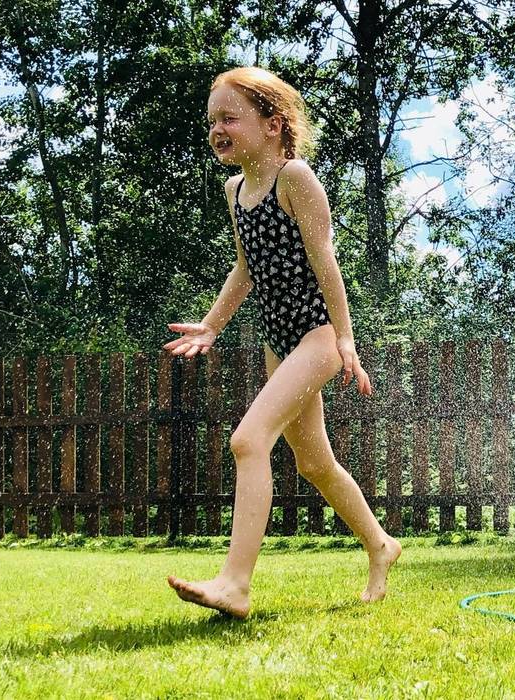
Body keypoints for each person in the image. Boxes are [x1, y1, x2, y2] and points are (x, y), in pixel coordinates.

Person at [163, 66, 401, 619]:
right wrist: (213, 324)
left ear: (272, 123)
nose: (217, 129)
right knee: (314, 462)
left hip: (316, 336)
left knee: (249, 441)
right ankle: (381, 545)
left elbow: (326, 265)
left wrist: (344, 339)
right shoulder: (235, 190)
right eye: (212, 121)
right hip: (279, 340)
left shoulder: (296, 178)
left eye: (230, 118)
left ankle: (234, 584)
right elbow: (245, 270)